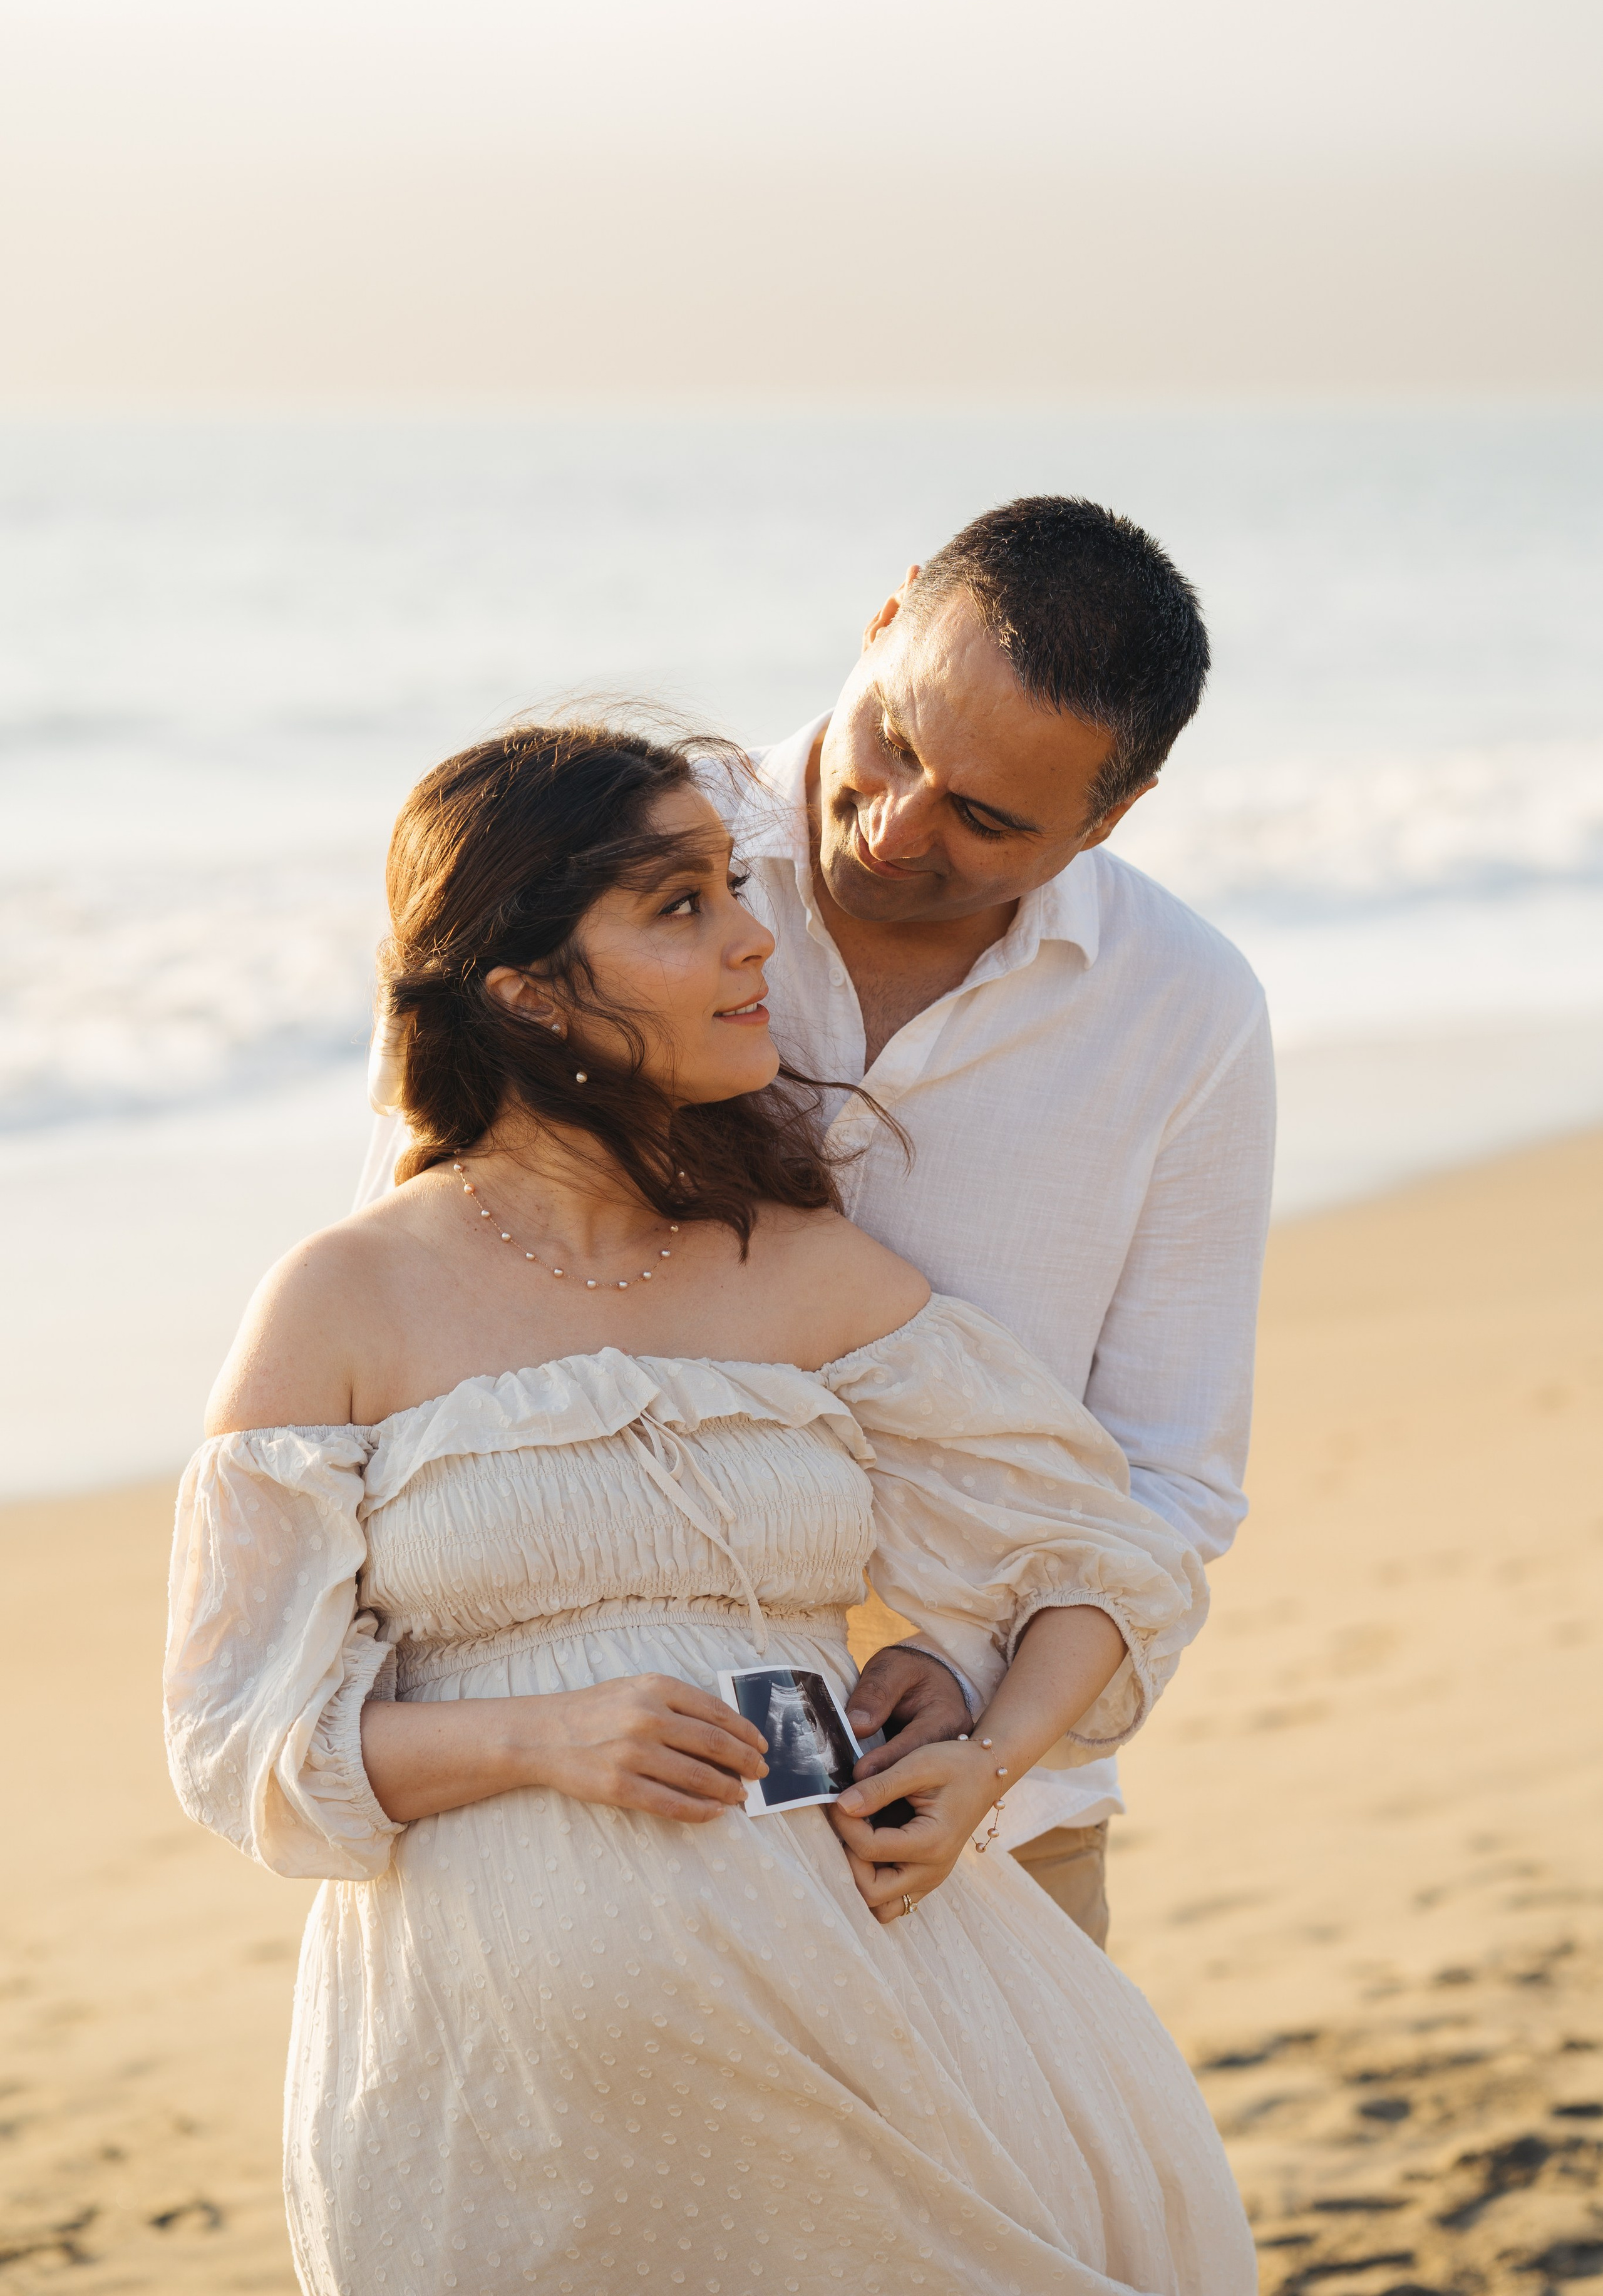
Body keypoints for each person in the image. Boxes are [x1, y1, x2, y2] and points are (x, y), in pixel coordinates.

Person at [167, 721, 1255, 2293]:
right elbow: (234, 1739)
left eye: (731, 887)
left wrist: (982, 1750)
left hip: (874, 2032)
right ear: (529, 992)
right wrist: (536, 1740)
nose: (756, 938)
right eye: (678, 908)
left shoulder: (807, 1271)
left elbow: (1098, 1553)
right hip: (501, 2106)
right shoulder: (345, 1299)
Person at [358, 494, 1276, 1947]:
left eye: (983, 818)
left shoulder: (1183, 1012)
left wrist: (978, 1716)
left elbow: (1166, 1481)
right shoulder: (609, 862)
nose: (895, 827)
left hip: (980, 1835)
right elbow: (416, 1313)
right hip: (567, 1843)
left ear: (1109, 819)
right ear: (882, 619)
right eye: (893, 741)